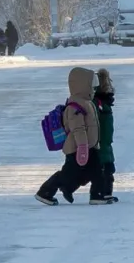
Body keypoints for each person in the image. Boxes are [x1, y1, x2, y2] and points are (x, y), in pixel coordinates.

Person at [35, 66, 100, 205]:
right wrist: (82, 146)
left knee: (93, 171)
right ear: (83, 86)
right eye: (92, 86)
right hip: (77, 148)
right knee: (69, 174)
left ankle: (95, 194)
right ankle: (45, 192)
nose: (94, 90)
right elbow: (78, 129)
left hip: (88, 146)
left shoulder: (86, 102)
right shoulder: (75, 106)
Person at [89, 68, 118, 205]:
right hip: (100, 142)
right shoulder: (97, 103)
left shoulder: (104, 103)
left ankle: (106, 193)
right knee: (103, 169)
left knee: (108, 168)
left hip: (105, 142)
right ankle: (98, 194)